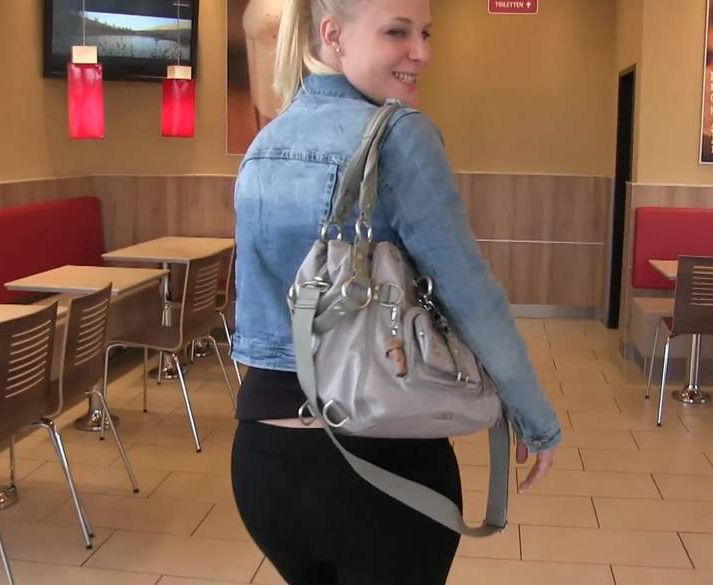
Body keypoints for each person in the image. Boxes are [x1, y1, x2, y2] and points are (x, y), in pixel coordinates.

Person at [230, 0, 561, 583]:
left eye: (425, 33)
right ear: (333, 34)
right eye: (397, 32)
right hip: (378, 463)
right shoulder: (401, 135)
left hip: (264, 465)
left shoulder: (265, 143)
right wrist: (535, 418)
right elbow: (470, 293)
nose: (422, 52)